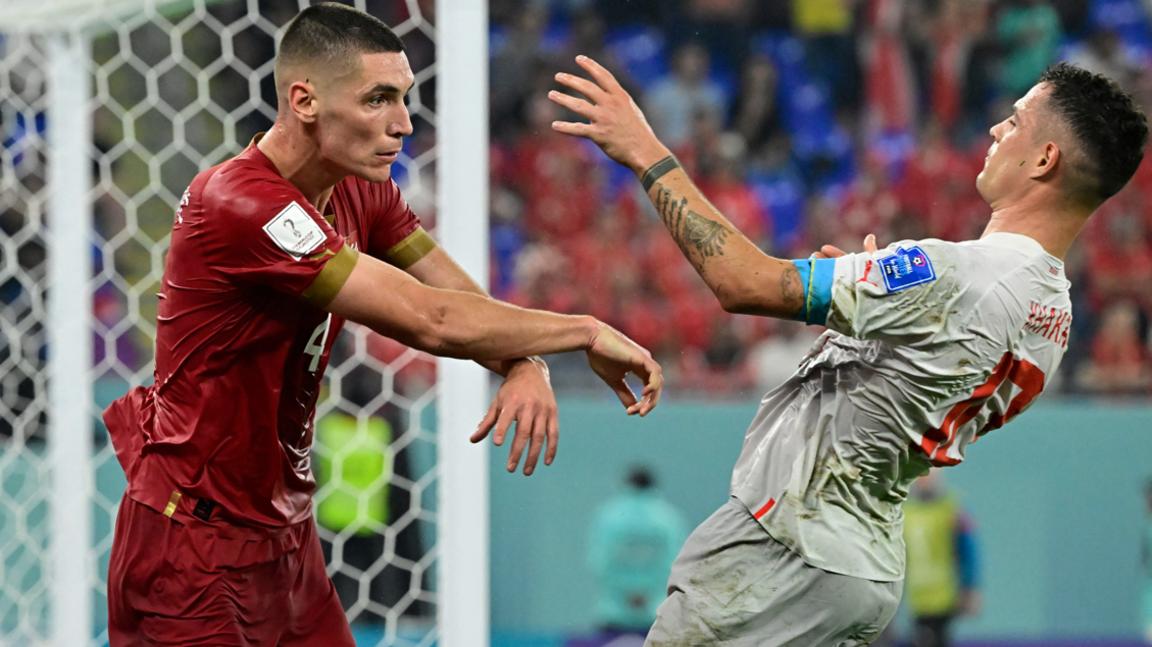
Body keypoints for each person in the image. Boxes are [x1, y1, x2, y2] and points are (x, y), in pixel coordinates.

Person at [102, 6, 663, 645]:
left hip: (284, 537)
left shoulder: (360, 189)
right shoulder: (240, 202)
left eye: (404, 98)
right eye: (378, 99)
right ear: (304, 100)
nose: (401, 123)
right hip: (190, 541)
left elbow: (459, 296)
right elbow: (435, 320)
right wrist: (585, 330)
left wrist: (522, 361)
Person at [548, 55, 1146, 644]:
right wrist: (871, 320)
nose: (995, 129)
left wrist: (644, 152)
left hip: (785, 549)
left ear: (1045, 159)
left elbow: (745, 284)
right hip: (864, 567)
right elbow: (930, 385)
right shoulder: (1055, 313)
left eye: (1015, 121)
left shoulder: (954, 274)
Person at [587, 466, 688, 636]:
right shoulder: (669, 518)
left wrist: (626, 593)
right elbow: (676, 563)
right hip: (656, 614)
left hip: (614, 613)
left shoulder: (608, 515)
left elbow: (600, 561)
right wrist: (647, 594)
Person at [903, 470, 981, 647]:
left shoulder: (953, 508)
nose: (924, 479)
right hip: (916, 597)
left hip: (945, 596)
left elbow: (968, 550)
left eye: (929, 473)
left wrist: (969, 588)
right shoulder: (906, 512)